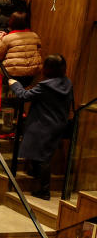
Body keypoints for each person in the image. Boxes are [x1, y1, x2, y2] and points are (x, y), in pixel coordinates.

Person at [9, 54, 74, 200]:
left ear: (47, 69)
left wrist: (15, 84)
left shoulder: (45, 86)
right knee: (44, 155)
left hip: (42, 124)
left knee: (41, 158)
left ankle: (44, 191)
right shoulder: (67, 83)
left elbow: (24, 96)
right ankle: (38, 182)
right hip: (58, 124)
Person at [0, 11, 41, 109]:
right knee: (21, 96)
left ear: (12, 22)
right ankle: (19, 116)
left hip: (13, 74)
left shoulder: (8, 38)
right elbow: (38, 52)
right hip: (31, 74)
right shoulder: (34, 35)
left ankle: (8, 119)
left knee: (7, 99)